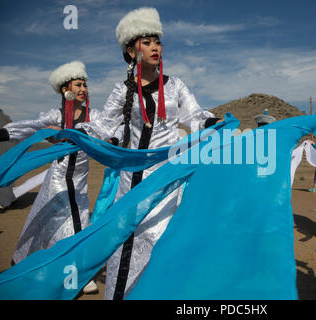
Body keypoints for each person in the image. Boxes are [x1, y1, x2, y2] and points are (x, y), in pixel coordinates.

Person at [75, 7, 222, 300]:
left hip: (167, 178)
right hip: (131, 182)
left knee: (162, 237)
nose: (155, 47)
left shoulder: (175, 85)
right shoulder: (122, 90)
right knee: (127, 241)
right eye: (146, 41)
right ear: (131, 51)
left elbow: (194, 115)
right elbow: (104, 125)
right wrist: (75, 133)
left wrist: (211, 122)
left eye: (158, 41)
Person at [0, 61, 99, 294]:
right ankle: (34, 268)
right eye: (78, 84)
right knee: (49, 225)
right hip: (57, 181)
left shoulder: (95, 116)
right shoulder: (56, 115)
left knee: (78, 223)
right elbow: (30, 127)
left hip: (80, 182)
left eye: (85, 84)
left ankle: (77, 274)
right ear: (66, 90)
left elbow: (107, 131)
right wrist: (2, 133)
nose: (83, 88)